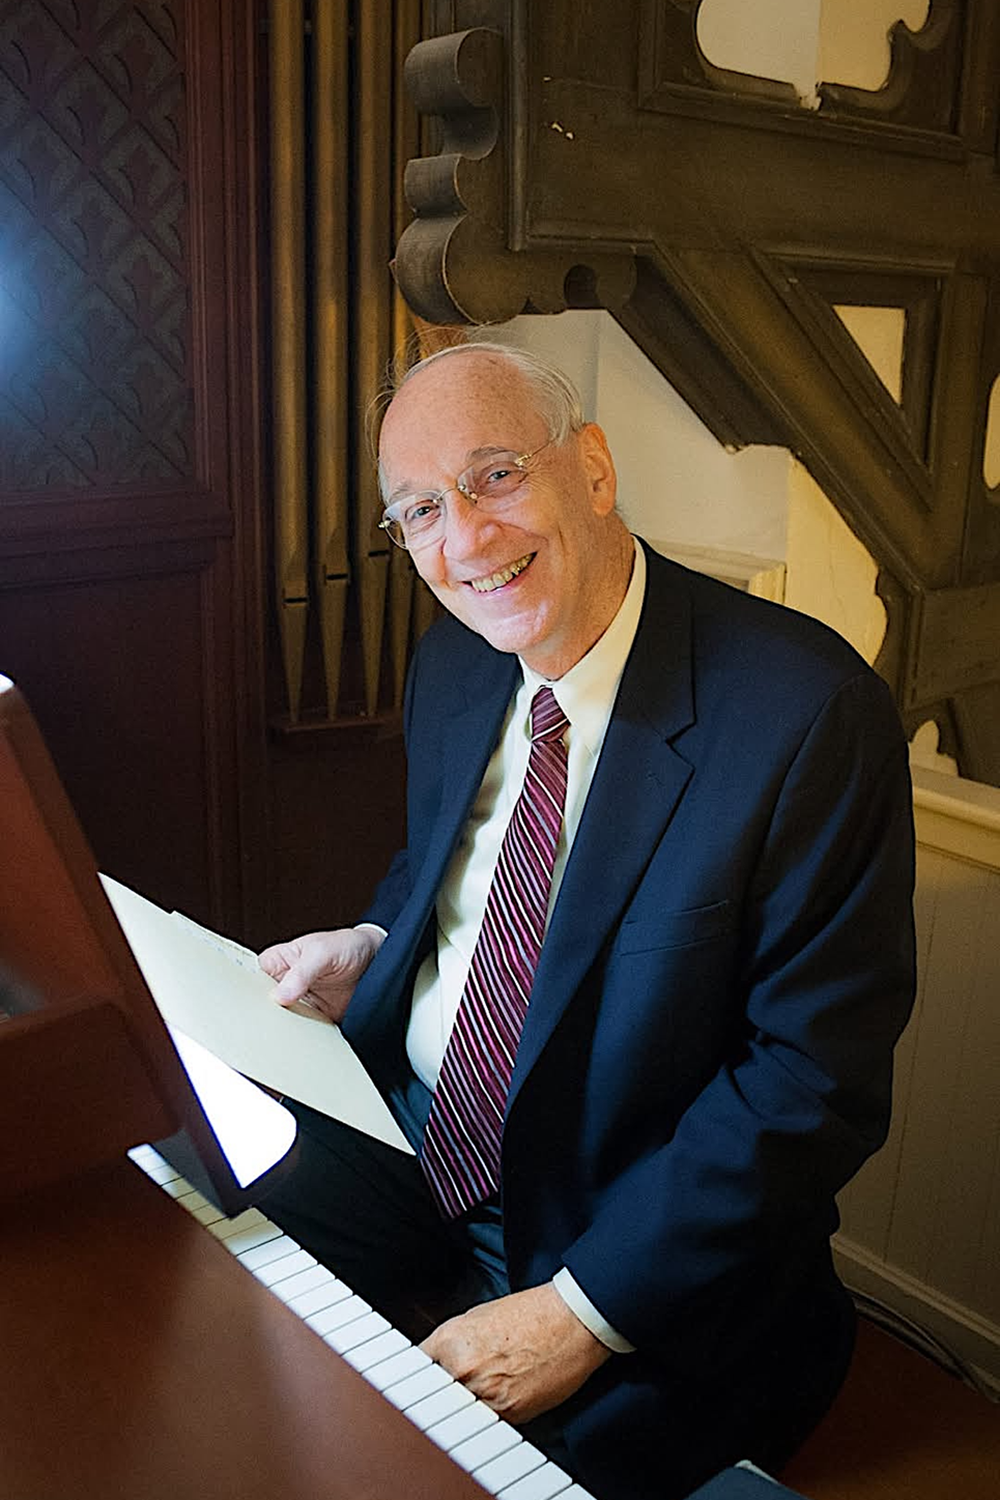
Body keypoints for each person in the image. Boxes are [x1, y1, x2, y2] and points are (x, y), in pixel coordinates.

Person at [258, 340, 916, 1500]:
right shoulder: (453, 670)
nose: (463, 541)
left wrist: (578, 1314)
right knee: (214, 1293)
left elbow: (808, 1088)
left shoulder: (809, 715)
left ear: (595, 472)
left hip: (632, 1234)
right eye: (418, 511)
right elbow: (442, 881)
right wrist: (369, 952)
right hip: (418, 1144)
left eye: (496, 475)